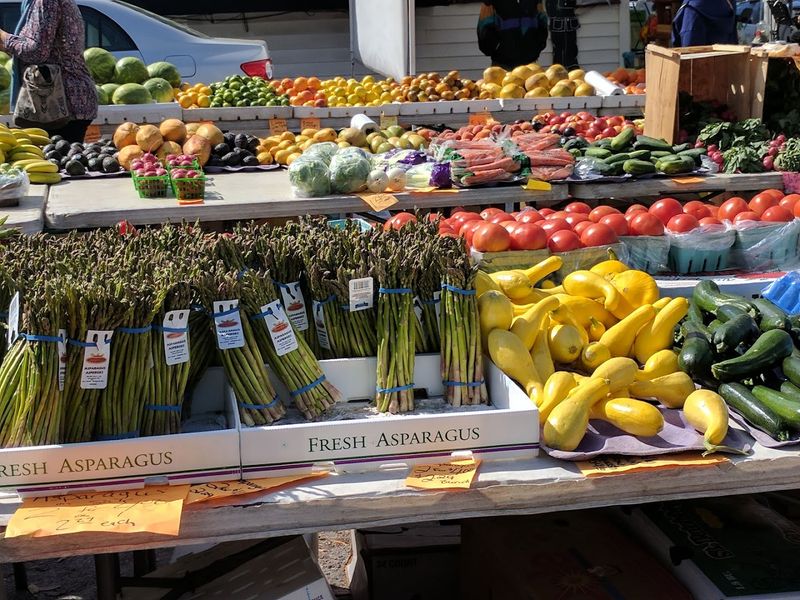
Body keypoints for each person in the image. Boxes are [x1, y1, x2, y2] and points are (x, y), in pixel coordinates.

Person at [0, 0, 98, 142]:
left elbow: (37, 52)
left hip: (60, 104)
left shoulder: (46, 2)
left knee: (57, 161)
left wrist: (4, 39)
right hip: (61, 100)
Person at [478, 0, 549, 70]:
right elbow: (484, 29)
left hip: (530, 66)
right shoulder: (490, 2)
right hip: (502, 68)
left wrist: (536, 47)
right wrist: (496, 47)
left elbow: (542, 23)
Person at [672, 0, 737, 47]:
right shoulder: (728, 5)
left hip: (696, 61)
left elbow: (689, 54)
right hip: (726, 61)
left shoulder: (691, 10)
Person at [545, 0, 579, 70]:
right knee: (558, 50)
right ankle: (558, 69)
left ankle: (571, 68)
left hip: (569, 24)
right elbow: (549, 9)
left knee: (571, 48)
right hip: (558, 24)